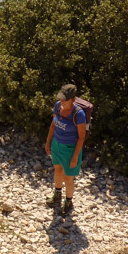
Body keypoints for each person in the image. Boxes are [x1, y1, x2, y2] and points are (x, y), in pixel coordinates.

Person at [45, 84, 86, 215]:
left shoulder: (79, 114)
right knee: (57, 170)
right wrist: (48, 142)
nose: (61, 101)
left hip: (70, 149)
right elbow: (53, 124)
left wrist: (75, 157)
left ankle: (68, 201)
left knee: (68, 178)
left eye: (65, 99)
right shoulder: (57, 106)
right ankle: (57, 194)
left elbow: (81, 138)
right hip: (57, 145)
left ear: (73, 99)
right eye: (61, 98)